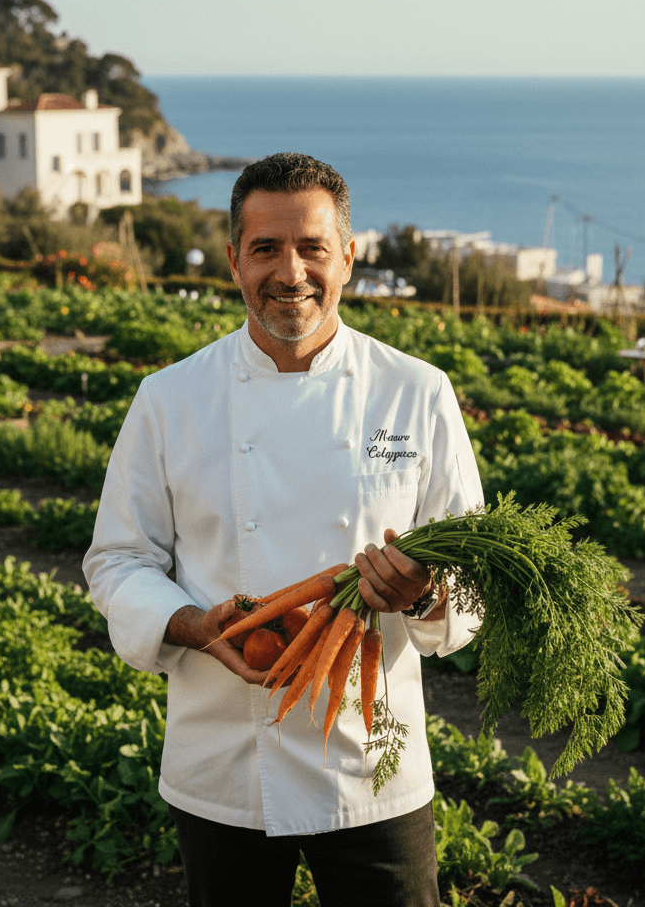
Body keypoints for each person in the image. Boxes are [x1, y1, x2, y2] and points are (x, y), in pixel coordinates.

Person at [83, 152, 484, 907]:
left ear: (349, 258)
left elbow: (473, 579)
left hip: (374, 758)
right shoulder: (169, 400)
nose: (289, 271)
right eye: (266, 248)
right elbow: (118, 559)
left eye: (312, 248)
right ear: (234, 260)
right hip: (225, 751)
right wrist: (192, 624)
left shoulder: (418, 393)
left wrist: (424, 594)